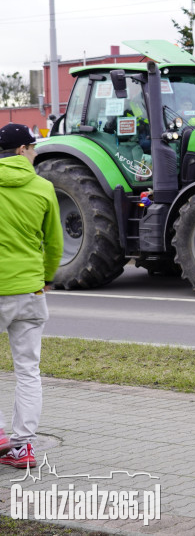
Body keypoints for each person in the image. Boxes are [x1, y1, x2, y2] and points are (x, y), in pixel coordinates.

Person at [0, 123, 62, 469]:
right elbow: (54, 243)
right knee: (27, 370)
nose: (36, 153)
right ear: (22, 150)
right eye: (33, 147)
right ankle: (23, 447)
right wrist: (46, 277)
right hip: (29, 288)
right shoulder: (43, 188)